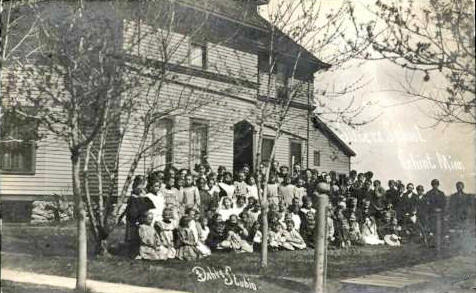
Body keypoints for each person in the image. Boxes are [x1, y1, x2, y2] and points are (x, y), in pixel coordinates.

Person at [124, 175, 149, 256]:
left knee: (140, 234)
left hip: (140, 215)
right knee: (133, 234)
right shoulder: (134, 195)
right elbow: (132, 209)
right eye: (140, 183)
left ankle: (139, 251)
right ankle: (133, 252)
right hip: (134, 216)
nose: (141, 186)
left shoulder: (143, 192)